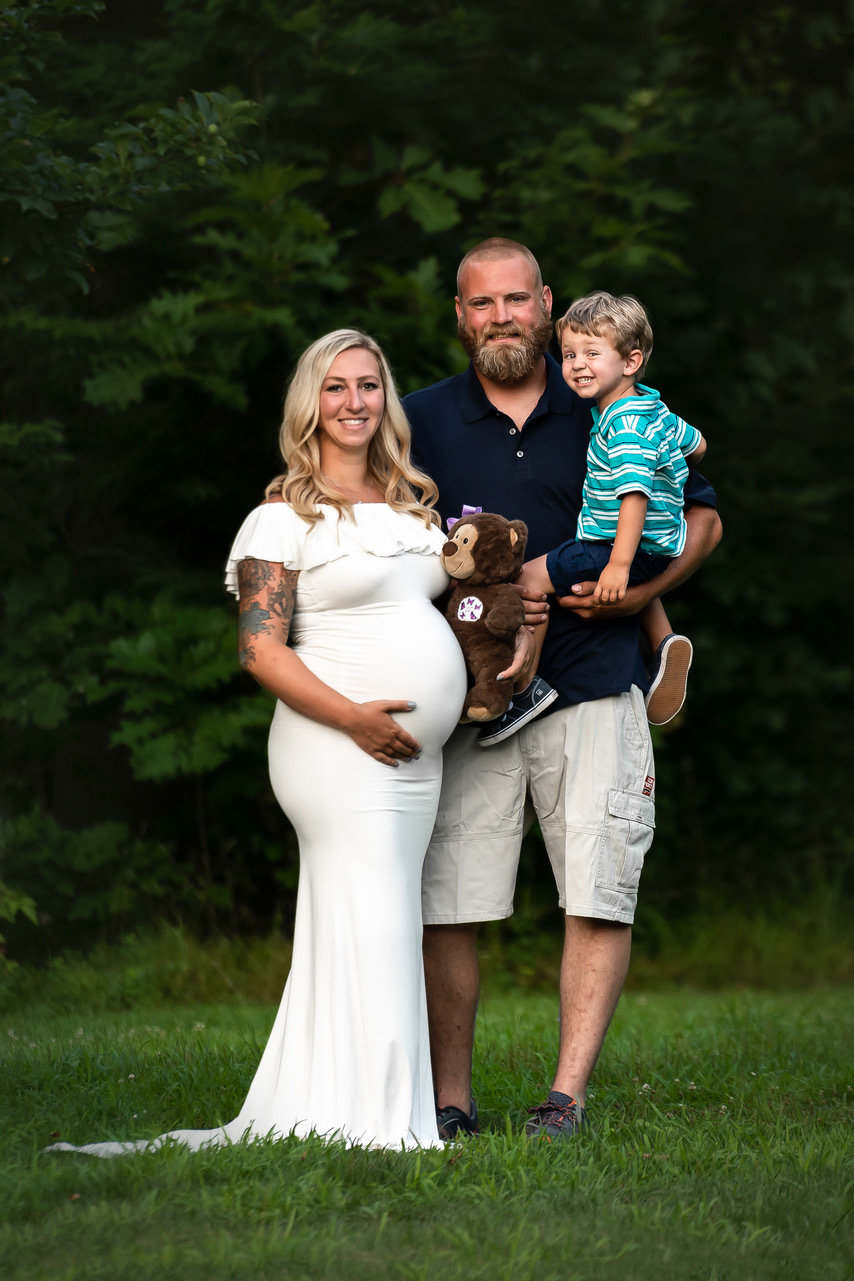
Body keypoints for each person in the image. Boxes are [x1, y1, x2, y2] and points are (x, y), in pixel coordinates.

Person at [46, 329, 468, 1157]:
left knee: (374, 918)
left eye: (369, 385)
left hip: (411, 754)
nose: (354, 402)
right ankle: (388, 1130)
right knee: (379, 918)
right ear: (309, 403)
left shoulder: (414, 506)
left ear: (387, 399)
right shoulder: (281, 517)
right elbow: (259, 649)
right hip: (335, 747)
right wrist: (354, 717)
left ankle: (351, 1106)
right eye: (336, 387)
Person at [403, 238, 721, 1141]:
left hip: (594, 683)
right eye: (480, 303)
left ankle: (564, 1099)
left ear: (545, 304)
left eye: (516, 299)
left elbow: (704, 516)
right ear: (458, 315)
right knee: (450, 901)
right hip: (470, 698)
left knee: (598, 888)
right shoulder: (419, 419)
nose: (500, 316)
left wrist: (643, 594)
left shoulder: (604, 399)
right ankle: (449, 1103)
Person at [492, 290, 708, 744]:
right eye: (569, 354)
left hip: (616, 548)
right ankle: (665, 642)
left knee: (526, 580)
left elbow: (633, 495)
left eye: (592, 353)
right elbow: (699, 445)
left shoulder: (622, 424)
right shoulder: (653, 407)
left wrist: (618, 565)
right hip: (659, 544)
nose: (576, 365)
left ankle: (526, 687)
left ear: (630, 362)